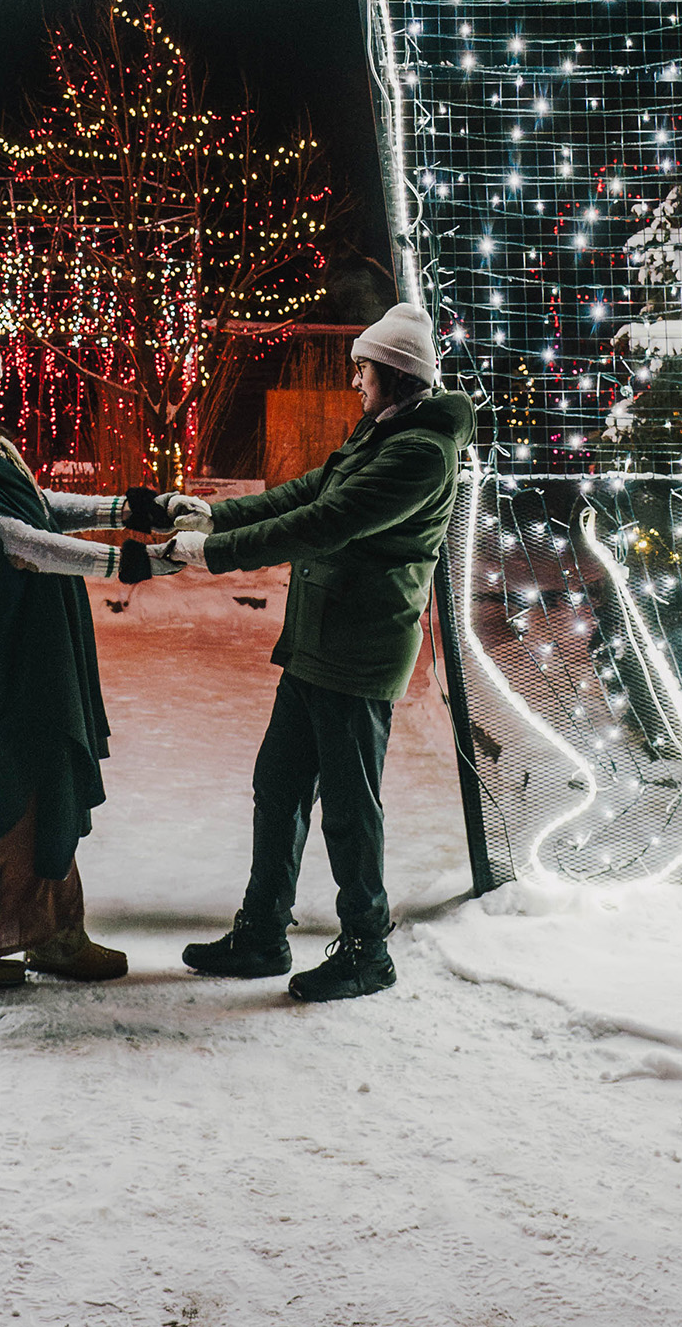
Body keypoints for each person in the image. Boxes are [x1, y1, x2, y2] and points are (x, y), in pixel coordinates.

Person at [156, 303, 477, 1002]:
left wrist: (212, 554)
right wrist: (218, 513)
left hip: (359, 650)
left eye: (363, 369)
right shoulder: (383, 432)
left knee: (349, 808)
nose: (355, 380)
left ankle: (368, 947)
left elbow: (326, 523)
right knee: (279, 787)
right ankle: (263, 932)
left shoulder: (420, 452)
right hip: (317, 641)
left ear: (391, 373)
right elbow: (310, 491)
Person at [0, 340, 186, 993]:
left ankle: (52, 934)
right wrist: (126, 562)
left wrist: (120, 510)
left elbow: (36, 505)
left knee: (39, 784)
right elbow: (18, 543)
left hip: (19, 652)